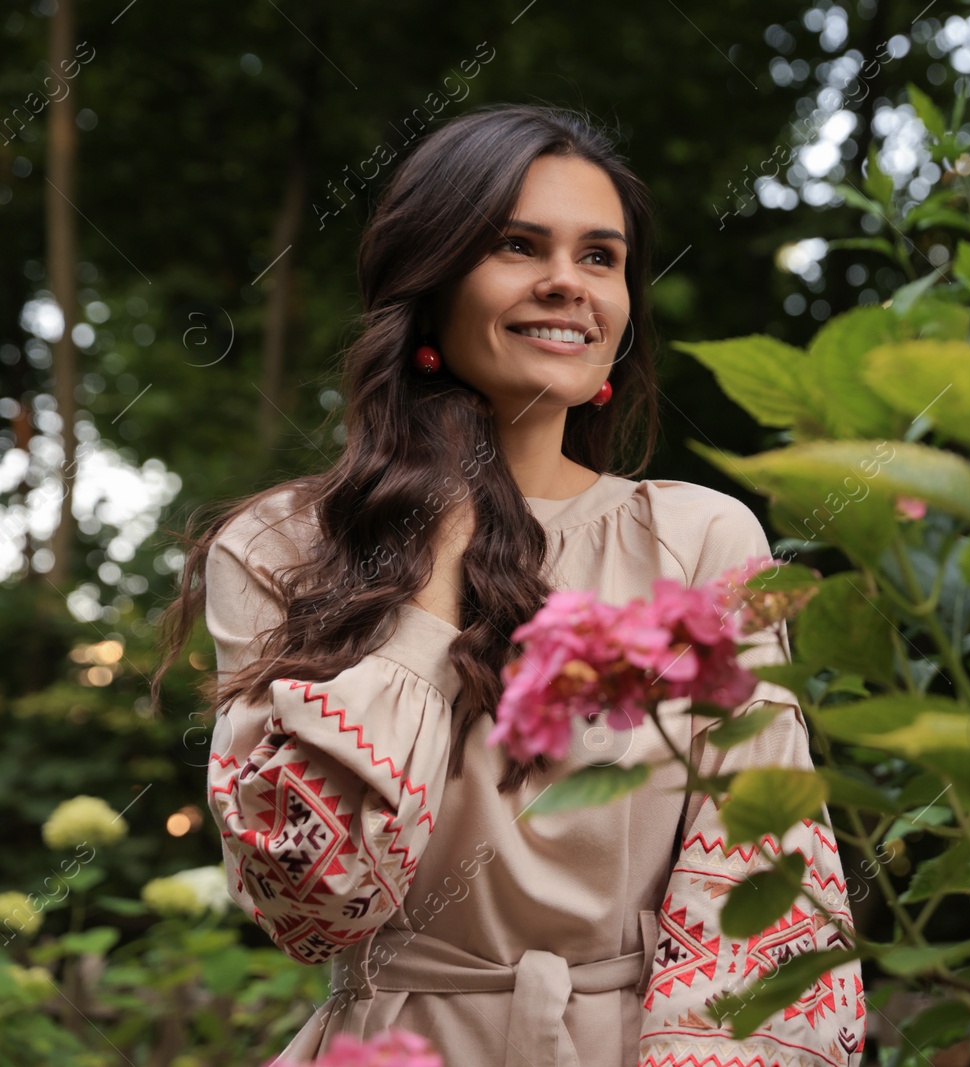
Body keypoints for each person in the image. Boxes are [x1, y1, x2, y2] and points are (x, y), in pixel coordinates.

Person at [152, 103, 865, 1067]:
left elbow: (761, 884)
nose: (567, 282)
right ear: (430, 282)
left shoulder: (699, 536)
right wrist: (438, 541)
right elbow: (315, 899)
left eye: (601, 257)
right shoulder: (278, 544)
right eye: (518, 246)